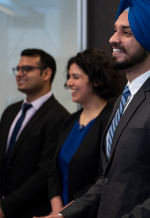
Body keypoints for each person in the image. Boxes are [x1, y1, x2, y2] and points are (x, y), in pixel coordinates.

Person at [36, 0, 150, 218]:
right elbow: (108, 182)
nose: (112, 39)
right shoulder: (123, 100)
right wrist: (61, 216)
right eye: (115, 30)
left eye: (125, 32)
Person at [0, 49, 69, 218]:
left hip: (33, 211)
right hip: (0, 208)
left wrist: (6, 206)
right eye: (18, 69)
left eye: (27, 69)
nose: (19, 74)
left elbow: (45, 172)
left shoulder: (59, 117)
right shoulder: (10, 111)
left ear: (46, 74)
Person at [48, 48, 120, 214]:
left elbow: (104, 179)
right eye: (69, 77)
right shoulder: (68, 121)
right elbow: (53, 172)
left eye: (76, 77)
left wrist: (65, 213)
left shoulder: (112, 121)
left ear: (95, 80)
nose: (69, 83)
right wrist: (56, 212)